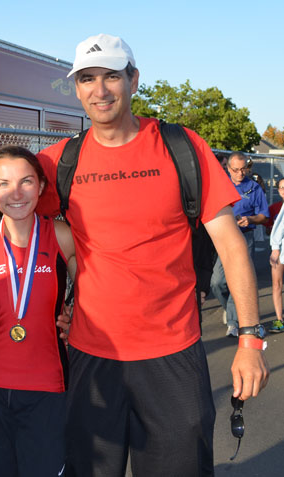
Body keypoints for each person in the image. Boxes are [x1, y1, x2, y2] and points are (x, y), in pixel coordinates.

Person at [35, 33, 269, 476]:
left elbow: (231, 245)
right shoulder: (58, 162)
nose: (99, 90)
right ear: (76, 87)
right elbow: (18, 228)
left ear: (134, 79)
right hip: (91, 356)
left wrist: (250, 339)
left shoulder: (181, 147)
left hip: (172, 355)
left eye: (111, 77)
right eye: (87, 79)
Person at [0, 146, 76, 477]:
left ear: (42, 186)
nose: (15, 193)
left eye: (26, 181)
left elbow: (100, 284)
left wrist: (79, 316)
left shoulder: (61, 236)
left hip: (49, 387)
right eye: (3, 183)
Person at [210, 151, 269, 336]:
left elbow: (263, 216)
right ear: (228, 169)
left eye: (244, 169)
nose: (240, 173)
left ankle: (234, 323)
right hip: (224, 236)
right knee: (217, 282)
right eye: (236, 170)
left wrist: (250, 219)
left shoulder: (254, 188)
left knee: (239, 278)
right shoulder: (221, 184)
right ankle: (231, 308)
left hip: (245, 236)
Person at [268, 177, 284, 333]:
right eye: (281, 187)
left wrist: (275, 248)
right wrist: (275, 248)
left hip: (278, 250)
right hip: (279, 251)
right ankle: (279, 320)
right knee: (276, 285)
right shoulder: (279, 208)